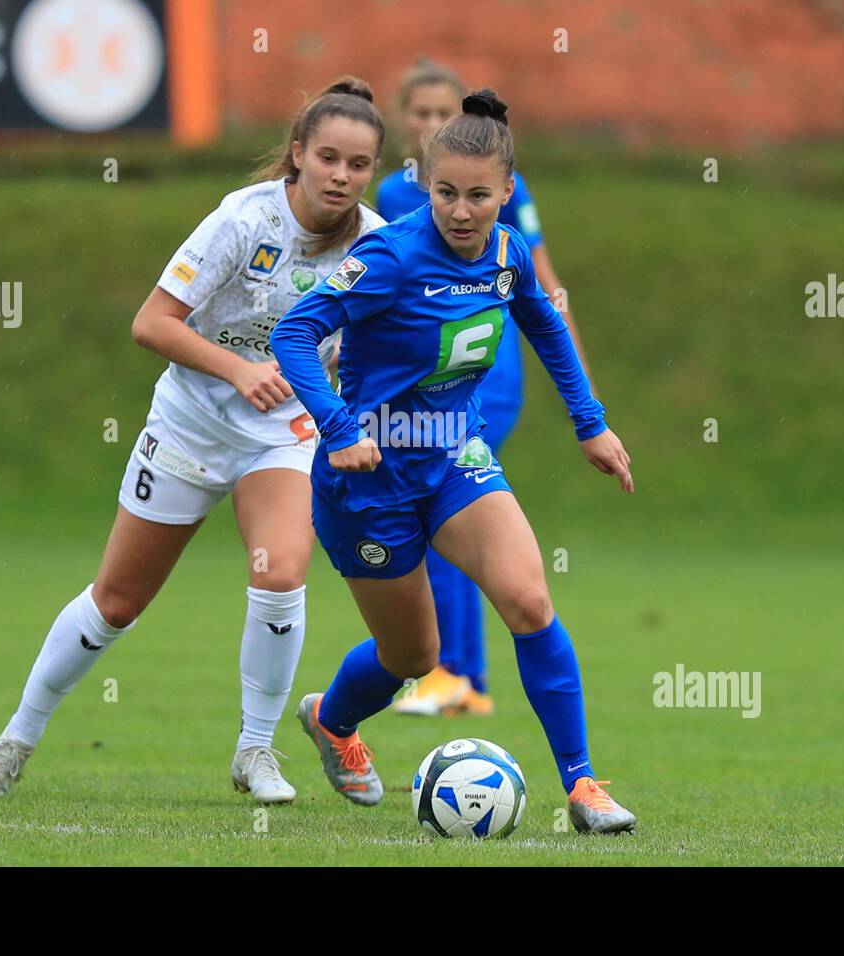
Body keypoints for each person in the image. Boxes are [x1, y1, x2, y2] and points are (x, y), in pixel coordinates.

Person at [0, 78, 386, 805]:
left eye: (358, 164)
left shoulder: (377, 245)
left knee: (281, 573)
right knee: (117, 602)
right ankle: (16, 740)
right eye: (328, 158)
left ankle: (256, 751)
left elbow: (369, 346)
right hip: (190, 425)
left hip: (281, 435)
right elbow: (151, 323)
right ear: (297, 156)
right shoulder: (242, 220)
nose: (342, 176)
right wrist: (238, 369)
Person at [270, 89, 637, 833]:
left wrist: (589, 424)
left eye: (478, 195)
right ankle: (331, 720)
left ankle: (583, 785)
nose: (461, 211)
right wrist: (339, 427)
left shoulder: (506, 253)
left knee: (530, 602)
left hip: (453, 460)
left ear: (508, 191)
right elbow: (293, 335)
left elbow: (544, 322)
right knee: (412, 655)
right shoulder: (390, 256)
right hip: (367, 482)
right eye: (445, 193)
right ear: (424, 185)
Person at [376, 59, 595, 717]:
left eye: (448, 114)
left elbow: (540, 279)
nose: (434, 124)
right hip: (419, 386)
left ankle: (454, 673)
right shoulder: (392, 195)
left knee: (444, 509)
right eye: (422, 114)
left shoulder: (507, 188)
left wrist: (577, 385)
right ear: (403, 121)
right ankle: (464, 677)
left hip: (484, 381)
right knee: (448, 515)